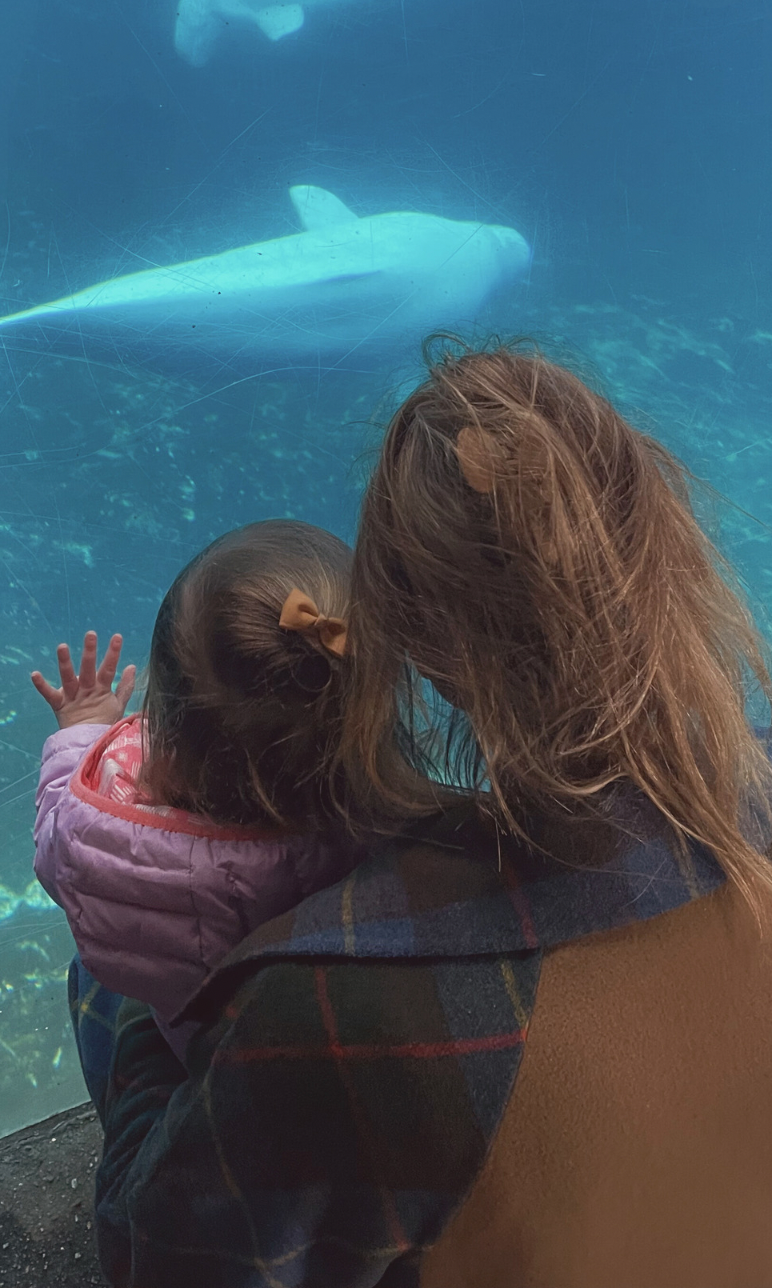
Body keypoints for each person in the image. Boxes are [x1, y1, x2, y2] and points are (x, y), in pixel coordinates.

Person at [66, 344, 772, 1288]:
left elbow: (159, 1254)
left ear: (416, 653)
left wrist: (122, 992)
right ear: (661, 533)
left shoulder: (344, 997)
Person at [31, 520, 375, 1061]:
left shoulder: (96, 834)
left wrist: (82, 729)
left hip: (193, 1048)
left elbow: (57, 831)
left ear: (166, 727)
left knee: (92, 979)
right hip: (311, 1049)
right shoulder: (371, 837)